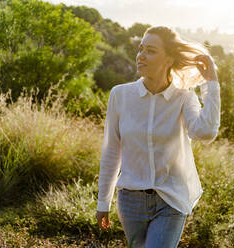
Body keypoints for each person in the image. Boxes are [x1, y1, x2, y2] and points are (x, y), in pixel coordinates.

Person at [95, 26, 221, 248]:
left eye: (150, 51)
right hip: (130, 201)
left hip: (170, 200)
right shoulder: (120, 95)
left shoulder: (184, 98)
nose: (141, 55)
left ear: (169, 58)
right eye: (140, 49)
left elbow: (206, 132)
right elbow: (111, 152)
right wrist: (103, 202)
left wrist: (211, 83)